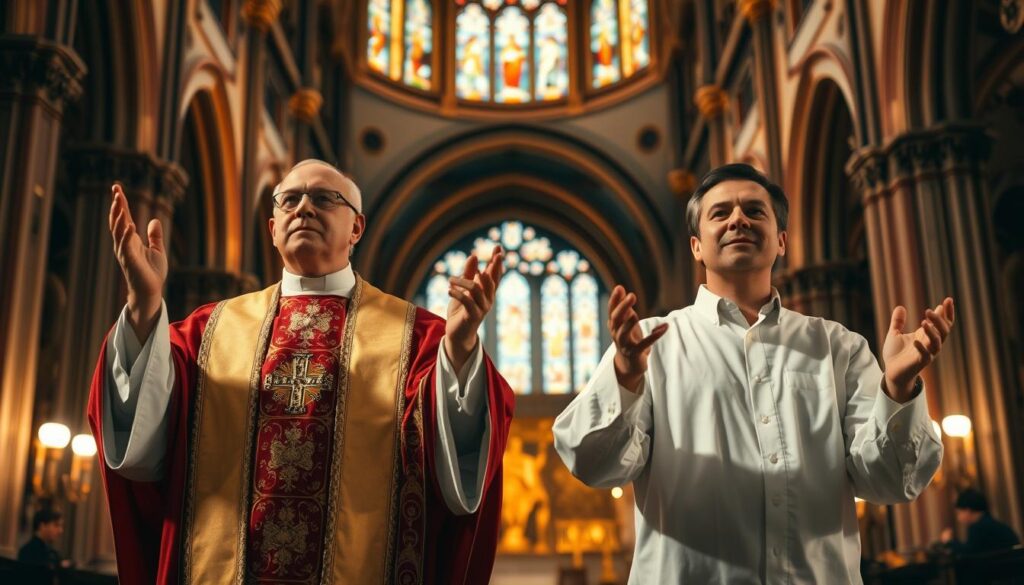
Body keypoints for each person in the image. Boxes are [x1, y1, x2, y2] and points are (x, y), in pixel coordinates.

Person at [87, 159, 515, 585]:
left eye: (325, 199)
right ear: (273, 228)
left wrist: (459, 350)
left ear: (356, 229)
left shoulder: (418, 338)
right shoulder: (207, 332)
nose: (304, 208)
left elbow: (460, 465)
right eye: (290, 199)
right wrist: (144, 306)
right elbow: (142, 444)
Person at [553, 163, 952, 584]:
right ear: (696, 246)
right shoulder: (653, 342)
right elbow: (593, 464)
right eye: (720, 213)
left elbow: (890, 481)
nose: (738, 219)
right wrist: (626, 378)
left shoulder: (837, 346)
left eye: (754, 211)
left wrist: (898, 386)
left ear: (781, 241)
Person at [942, 488, 1020, 555]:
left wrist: (949, 542)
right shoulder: (994, 524)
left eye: (959, 513)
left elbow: (968, 553)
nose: (958, 518)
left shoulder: (978, 527)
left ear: (967, 511)